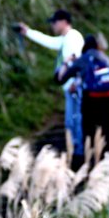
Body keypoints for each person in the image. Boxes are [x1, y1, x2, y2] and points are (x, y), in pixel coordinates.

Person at [17, 10, 85, 159]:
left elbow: (73, 60)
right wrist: (28, 32)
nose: (53, 25)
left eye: (54, 22)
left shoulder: (72, 37)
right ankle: (76, 149)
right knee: (71, 120)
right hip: (71, 86)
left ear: (63, 22)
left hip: (75, 86)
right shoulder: (66, 38)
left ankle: (79, 152)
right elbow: (49, 41)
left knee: (75, 119)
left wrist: (74, 81)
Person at [55, 34, 109, 163]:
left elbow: (61, 79)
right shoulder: (105, 59)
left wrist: (66, 63)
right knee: (106, 129)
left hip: (92, 99)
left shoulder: (83, 59)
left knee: (88, 129)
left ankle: (88, 157)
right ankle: (107, 157)